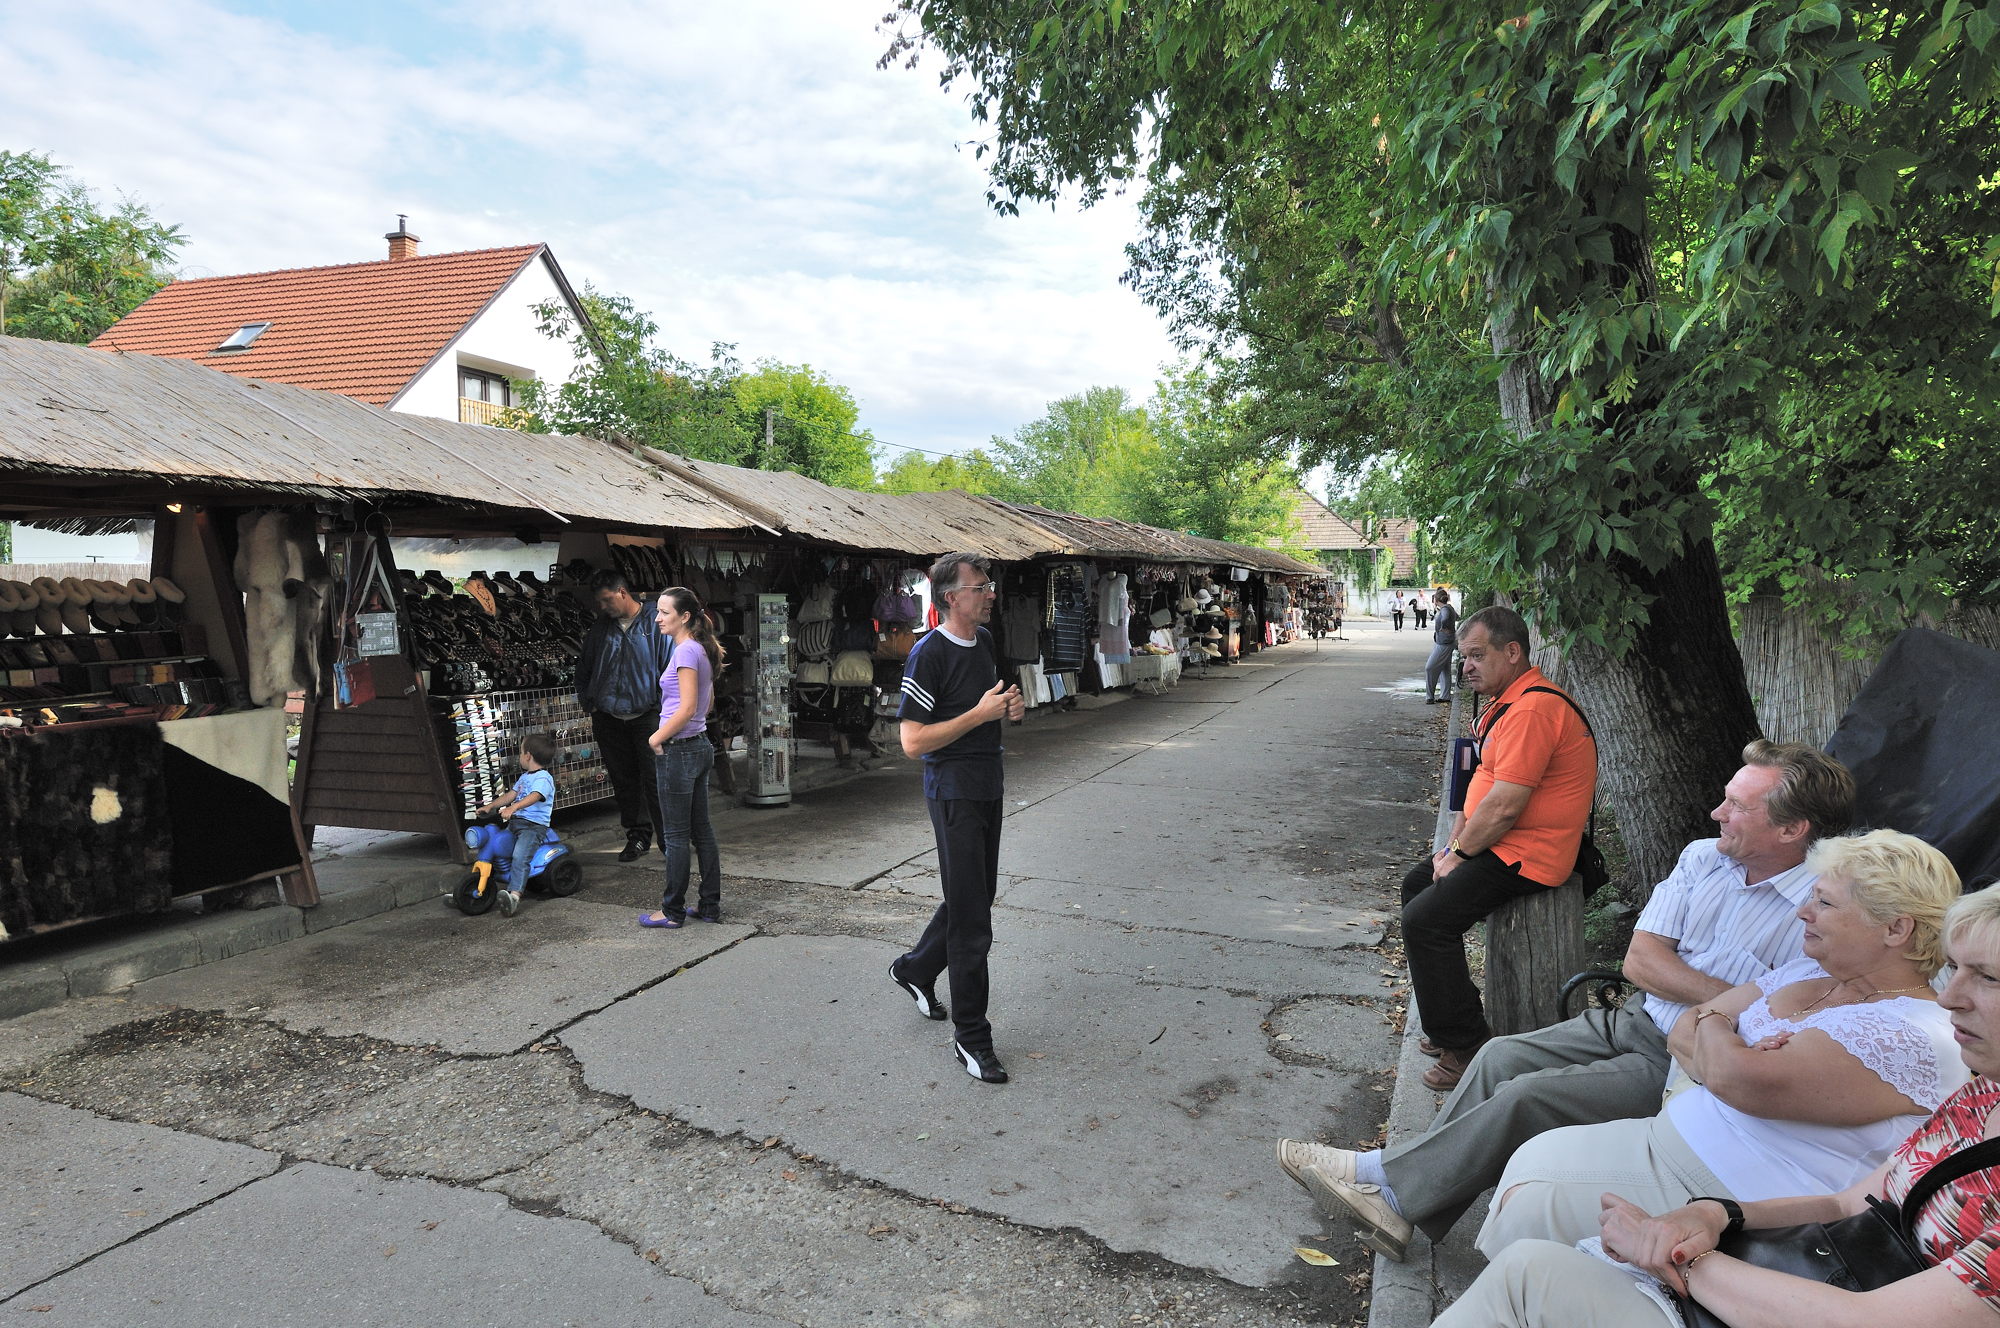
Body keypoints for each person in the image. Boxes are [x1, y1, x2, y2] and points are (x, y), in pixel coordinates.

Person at [1276, 740, 1856, 1256]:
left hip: (1688, 1066)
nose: (1716, 813)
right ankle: (1400, 1196)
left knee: (1525, 1096)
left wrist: (1704, 997)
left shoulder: (1823, 909)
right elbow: (1640, 962)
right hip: (1636, 1016)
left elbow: (1786, 1016)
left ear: (1791, 830)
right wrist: (1734, 998)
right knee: (1498, 1056)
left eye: (1737, 806)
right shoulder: (1704, 857)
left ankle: (1386, 1185)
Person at [1429, 876, 2000, 1328]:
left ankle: (1398, 1194)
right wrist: (1715, 1214)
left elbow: (1865, 1320)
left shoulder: (1916, 1034)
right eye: (1955, 968)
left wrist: (1682, 1257)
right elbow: (1848, 1201)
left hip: (1813, 1290)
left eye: (1987, 977)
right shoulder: (1979, 1098)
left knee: (1527, 1269)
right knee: (1526, 1239)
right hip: (1798, 1257)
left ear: (1896, 928)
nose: (1949, 995)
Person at [1403, 606, 1598, 1091]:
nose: (1465, 666)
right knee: (1417, 887)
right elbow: (1483, 788)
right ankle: (1452, 1022)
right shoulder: (1510, 701)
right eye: (1463, 657)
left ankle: (1467, 1048)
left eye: (1476, 655)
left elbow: (1506, 806)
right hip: (1504, 844)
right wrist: (1452, 848)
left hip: (1530, 854)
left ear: (1512, 652)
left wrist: (1459, 855)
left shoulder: (1532, 709)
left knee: (1426, 921)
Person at [887, 552, 1025, 1084]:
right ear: (951, 597)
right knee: (972, 920)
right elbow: (912, 742)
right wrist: (978, 715)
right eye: (980, 587)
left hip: (988, 783)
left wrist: (1009, 710)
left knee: (975, 896)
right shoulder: (928, 653)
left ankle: (916, 968)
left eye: (989, 586)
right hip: (953, 791)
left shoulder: (985, 642)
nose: (990, 594)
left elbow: (994, 705)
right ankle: (972, 1038)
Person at [638, 587, 723, 929]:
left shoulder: (686, 651)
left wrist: (656, 737)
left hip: (680, 750)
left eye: (664, 612)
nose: (657, 618)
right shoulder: (700, 648)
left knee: (675, 836)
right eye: (657, 611)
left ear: (685, 616)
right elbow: (706, 702)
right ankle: (709, 906)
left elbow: (687, 708)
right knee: (702, 832)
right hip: (699, 746)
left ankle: (672, 911)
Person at [578, 569, 670, 862]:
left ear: (622, 592)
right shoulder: (600, 628)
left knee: (657, 781)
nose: (603, 606)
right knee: (624, 782)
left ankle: (670, 842)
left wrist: (662, 708)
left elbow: (671, 669)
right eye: (599, 602)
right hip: (608, 718)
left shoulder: (656, 622)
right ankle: (638, 837)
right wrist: (589, 702)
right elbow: (584, 667)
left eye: (607, 600)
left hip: (648, 717)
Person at [475, 732, 557, 918]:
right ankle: (480, 884)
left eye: (520, 752)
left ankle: (514, 896)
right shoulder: (525, 777)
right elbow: (510, 795)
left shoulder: (543, 778)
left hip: (533, 827)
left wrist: (514, 807)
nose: (519, 756)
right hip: (516, 823)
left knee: (520, 856)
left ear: (528, 755)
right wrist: (491, 806)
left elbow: (535, 796)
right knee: (496, 845)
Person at [1423, 589, 1459, 705]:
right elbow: (1456, 617)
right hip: (1445, 641)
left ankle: (1430, 696)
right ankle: (1445, 695)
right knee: (1445, 669)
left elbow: (1445, 618)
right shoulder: (1449, 608)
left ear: (1436, 599)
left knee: (1430, 667)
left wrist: (1443, 627)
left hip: (1444, 643)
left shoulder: (1445, 609)